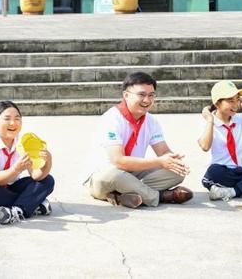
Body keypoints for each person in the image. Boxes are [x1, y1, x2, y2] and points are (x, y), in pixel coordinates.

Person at [82, 72, 193, 209]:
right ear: (126, 95)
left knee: (176, 171)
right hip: (102, 175)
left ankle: (124, 195)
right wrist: (160, 161)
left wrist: (173, 160)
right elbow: (119, 161)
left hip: (132, 173)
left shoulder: (151, 121)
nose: (147, 100)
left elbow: (163, 151)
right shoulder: (111, 119)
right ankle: (162, 196)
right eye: (141, 95)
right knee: (116, 176)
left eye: (151, 95)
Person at [0, 101, 55, 225]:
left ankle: (17, 210)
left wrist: (48, 162)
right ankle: (30, 204)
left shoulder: (23, 142)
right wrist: (16, 169)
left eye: (17, 118)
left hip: (10, 188)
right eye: (7, 119)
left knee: (47, 180)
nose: (13, 123)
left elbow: (36, 176)